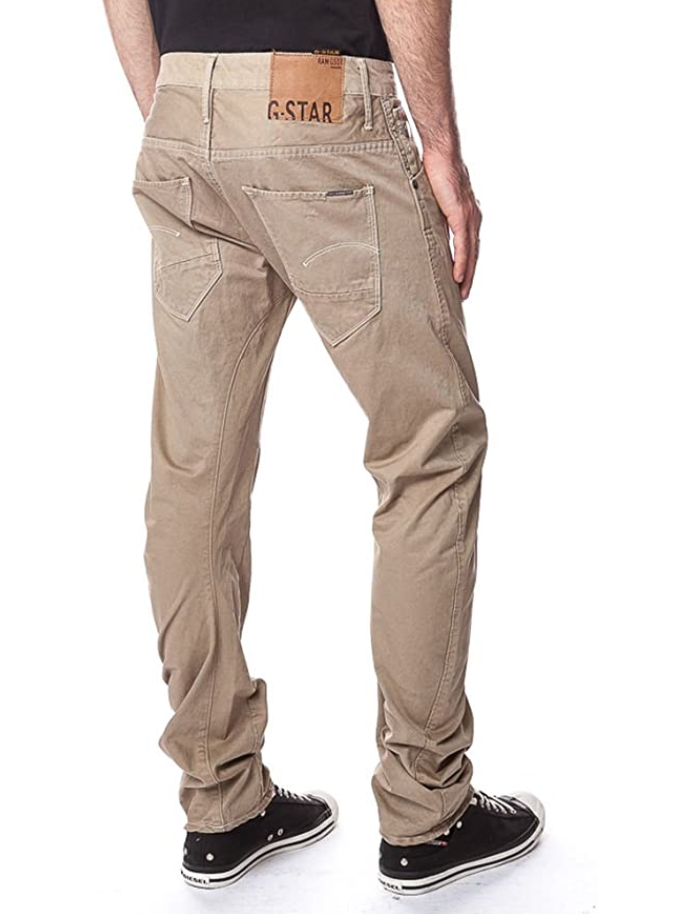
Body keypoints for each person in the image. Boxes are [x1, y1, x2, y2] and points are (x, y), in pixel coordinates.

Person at [104, 0, 544, 896]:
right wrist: (443, 150)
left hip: (183, 106)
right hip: (321, 103)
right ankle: (428, 810)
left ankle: (221, 802)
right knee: (428, 446)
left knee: (195, 470)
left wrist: (185, 108)